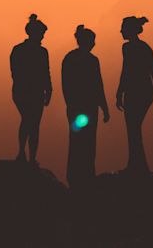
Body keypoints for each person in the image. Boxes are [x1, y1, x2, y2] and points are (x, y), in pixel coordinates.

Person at [61, 25, 109, 187]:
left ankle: (75, 175)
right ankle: (86, 174)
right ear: (86, 41)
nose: (94, 43)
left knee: (76, 140)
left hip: (77, 108)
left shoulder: (69, 58)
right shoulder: (91, 61)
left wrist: (70, 104)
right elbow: (98, 86)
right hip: (87, 107)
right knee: (88, 141)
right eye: (92, 40)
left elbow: (66, 85)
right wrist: (104, 107)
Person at [116, 16, 153, 174]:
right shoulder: (137, 48)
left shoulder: (138, 48)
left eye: (123, 28)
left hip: (139, 92)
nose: (121, 31)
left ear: (129, 30)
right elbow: (127, 70)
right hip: (138, 91)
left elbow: (152, 72)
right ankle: (137, 165)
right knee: (133, 128)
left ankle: (137, 166)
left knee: (133, 128)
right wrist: (119, 92)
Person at [9, 14, 52, 165]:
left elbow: (16, 72)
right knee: (31, 122)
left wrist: (48, 89)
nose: (42, 37)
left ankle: (26, 155)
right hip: (30, 92)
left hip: (26, 92)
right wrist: (48, 89)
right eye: (41, 34)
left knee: (30, 122)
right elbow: (44, 73)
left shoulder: (19, 50)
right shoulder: (39, 52)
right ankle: (27, 156)